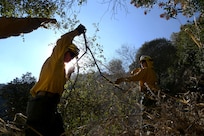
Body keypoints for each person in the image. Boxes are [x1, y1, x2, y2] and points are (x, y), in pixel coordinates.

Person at [25, 24, 86, 136]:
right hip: (41, 104)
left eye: (73, 57)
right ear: (65, 51)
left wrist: (68, 73)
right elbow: (63, 40)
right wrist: (76, 32)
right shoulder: (56, 59)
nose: (71, 58)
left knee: (59, 132)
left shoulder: (61, 69)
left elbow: (59, 83)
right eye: (70, 54)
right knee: (36, 133)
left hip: (50, 105)